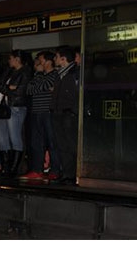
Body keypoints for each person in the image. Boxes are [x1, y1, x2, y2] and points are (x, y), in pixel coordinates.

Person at [0, 50, 32, 177]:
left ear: (17, 59)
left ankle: (13, 169)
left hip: (16, 106)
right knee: (2, 137)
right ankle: (6, 167)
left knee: (15, 137)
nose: (9, 61)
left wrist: (6, 88)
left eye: (10, 58)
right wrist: (9, 88)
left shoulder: (25, 72)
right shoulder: (9, 71)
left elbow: (20, 92)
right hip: (3, 106)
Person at [21, 50, 60, 182]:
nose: (39, 63)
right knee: (36, 142)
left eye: (41, 60)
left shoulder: (55, 75)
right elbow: (29, 89)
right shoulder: (39, 75)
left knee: (52, 142)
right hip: (36, 112)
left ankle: (55, 170)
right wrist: (38, 76)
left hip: (48, 112)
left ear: (48, 61)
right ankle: (37, 170)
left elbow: (40, 87)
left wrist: (38, 83)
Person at [50, 46, 79, 185]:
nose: (54, 59)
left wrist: (73, 111)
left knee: (71, 144)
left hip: (68, 113)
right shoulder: (59, 74)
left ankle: (75, 174)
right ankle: (68, 173)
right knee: (62, 145)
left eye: (56, 57)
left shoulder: (74, 73)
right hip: (57, 112)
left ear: (63, 59)